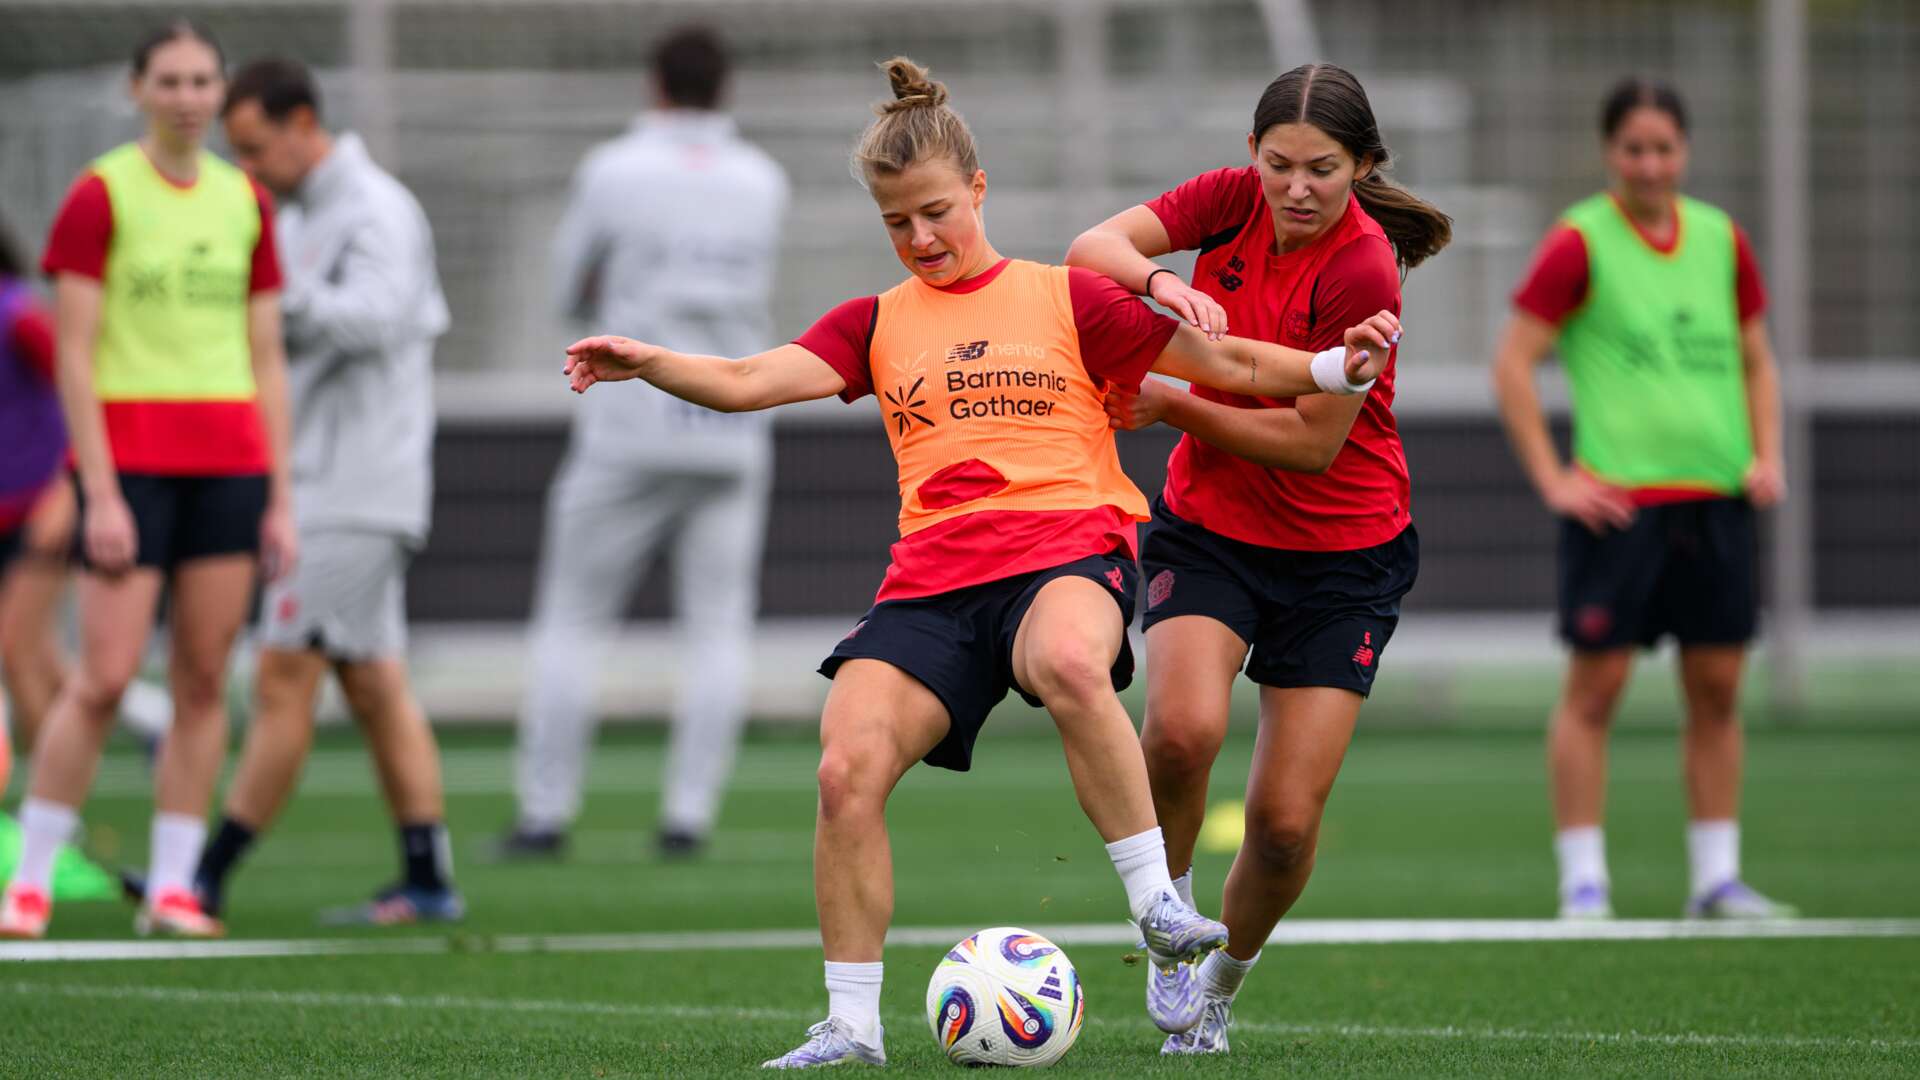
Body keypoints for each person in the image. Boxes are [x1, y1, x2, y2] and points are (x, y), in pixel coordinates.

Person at [561, 57, 1400, 1069]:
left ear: (979, 192)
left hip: (1067, 551)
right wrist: (647, 360)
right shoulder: (873, 322)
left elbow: (1227, 364)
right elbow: (746, 379)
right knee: (844, 766)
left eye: (937, 213)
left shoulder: (1068, 301)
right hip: (932, 579)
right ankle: (850, 1025)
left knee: (1071, 662)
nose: (922, 239)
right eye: (897, 224)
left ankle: (1158, 912)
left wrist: (1332, 367)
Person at [1066, 63, 1449, 1054]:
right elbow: (1090, 248)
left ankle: (1222, 987)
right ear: (1253, 156)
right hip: (1213, 530)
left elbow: (1313, 442)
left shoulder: (1364, 267)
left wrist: (1175, 400)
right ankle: (1170, 924)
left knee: (1280, 826)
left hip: (1344, 558)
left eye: (1323, 168)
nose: (1297, 186)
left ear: (1362, 167)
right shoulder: (1228, 201)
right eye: (1278, 164)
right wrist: (1157, 282)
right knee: (1181, 735)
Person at [117, 57, 460, 926]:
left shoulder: (375, 207)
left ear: (304, 123)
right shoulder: (299, 212)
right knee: (376, 684)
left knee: (281, 672)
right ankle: (428, 879)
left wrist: (268, 299)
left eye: (257, 147)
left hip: (352, 486)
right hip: (325, 481)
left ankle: (203, 873)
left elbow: (379, 317)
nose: (251, 168)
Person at [0, 20, 296, 940]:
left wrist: (281, 495)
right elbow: (77, 357)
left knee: (206, 678)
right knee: (105, 676)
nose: (186, 97)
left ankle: (174, 886)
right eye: (168, 80)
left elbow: (267, 356)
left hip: (230, 465)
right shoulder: (100, 196)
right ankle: (32, 880)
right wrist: (102, 488)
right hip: (132, 464)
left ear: (221, 91)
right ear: (138, 90)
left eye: (202, 79)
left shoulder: (245, 199)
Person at [1490, 77, 1792, 921]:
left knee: (1719, 688)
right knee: (1595, 690)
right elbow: (1513, 362)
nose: (1650, 164)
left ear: (1684, 152)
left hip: (1717, 500)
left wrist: (1766, 455)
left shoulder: (1721, 239)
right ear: (1609, 153)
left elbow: (1757, 358)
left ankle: (1716, 878)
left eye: (1664, 148)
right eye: (1634, 149)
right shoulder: (1579, 242)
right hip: (1618, 509)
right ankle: (1584, 882)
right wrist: (1557, 479)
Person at [496, 26, 788, 860]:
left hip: (627, 429)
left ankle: (545, 812)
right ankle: (688, 816)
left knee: (573, 619)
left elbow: (567, 288)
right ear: (724, 89)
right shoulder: (761, 181)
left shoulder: (613, 171)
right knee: (719, 628)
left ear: (654, 85)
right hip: (730, 423)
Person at [0, 213, 68, 773]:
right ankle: (151, 723)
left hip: (41, 509)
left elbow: (77, 395)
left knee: (17, 650)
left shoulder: (20, 313)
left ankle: (52, 822)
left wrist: (67, 489)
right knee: (39, 655)